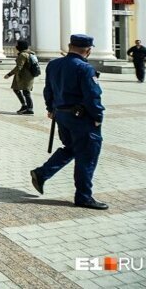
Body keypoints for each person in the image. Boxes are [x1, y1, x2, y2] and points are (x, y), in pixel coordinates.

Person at [30, 34, 108, 210]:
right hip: (82, 119)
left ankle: (42, 173)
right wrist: (97, 117)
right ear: (88, 51)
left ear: (69, 46)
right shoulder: (85, 68)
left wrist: (50, 109)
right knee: (86, 157)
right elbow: (92, 96)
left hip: (62, 116)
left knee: (71, 148)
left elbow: (48, 89)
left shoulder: (54, 64)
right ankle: (83, 196)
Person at [4, 39, 35, 114]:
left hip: (24, 76)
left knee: (26, 92)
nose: (16, 46)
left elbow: (19, 67)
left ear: (21, 46)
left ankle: (29, 108)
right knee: (16, 89)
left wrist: (9, 74)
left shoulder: (22, 55)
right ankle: (24, 106)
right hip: (27, 75)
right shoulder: (31, 53)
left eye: (17, 45)